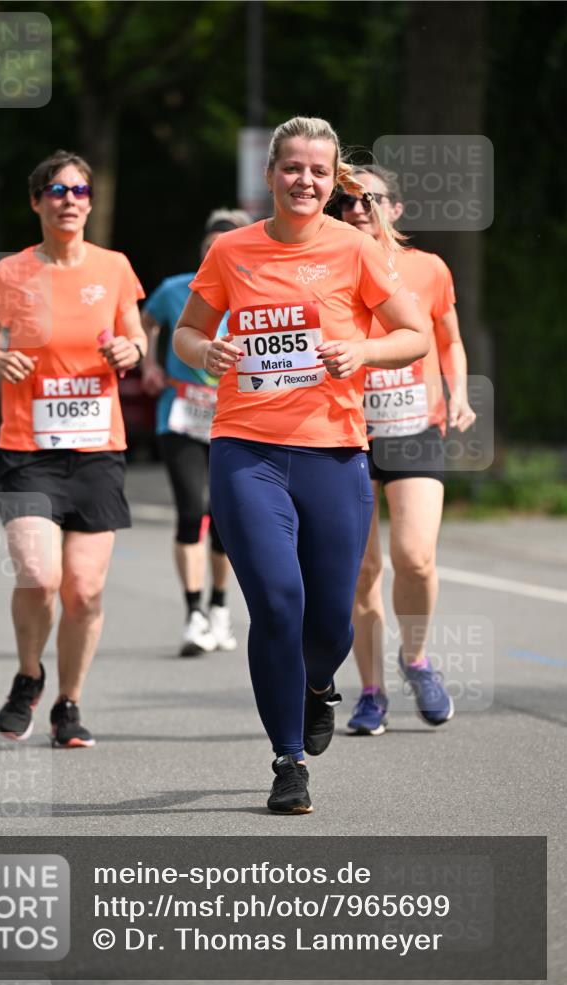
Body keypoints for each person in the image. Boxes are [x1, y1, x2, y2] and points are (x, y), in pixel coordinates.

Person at [174, 117, 428, 814]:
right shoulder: (232, 250)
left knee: (331, 627)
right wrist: (206, 352)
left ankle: (318, 684)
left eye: (318, 171)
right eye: (292, 167)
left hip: (333, 453)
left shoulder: (355, 248)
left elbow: (413, 334)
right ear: (270, 175)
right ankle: (288, 760)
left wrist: (363, 352)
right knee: (278, 602)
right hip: (246, 449)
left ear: (332, 179)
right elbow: (188, 331)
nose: (304, 181)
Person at [0, 149, 147, 748]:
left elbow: (136, 336)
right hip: (28, 450)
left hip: (98, 450)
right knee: (40, 576)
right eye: (57, 190)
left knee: (85, 590)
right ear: (37, 202)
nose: (70, 200)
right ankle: (28, 676)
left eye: (80, 190)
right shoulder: (11, 273)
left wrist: (130, 351)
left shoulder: (114, 266)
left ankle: (68, 704)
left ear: (90, 202)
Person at [333, 166, 476, 736]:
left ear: (396, 209)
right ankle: (371, 692)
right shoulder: (326, 267)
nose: (357, 209)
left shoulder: (429, 268)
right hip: (347, 429)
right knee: (361, 570)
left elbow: (450, 339)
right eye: (347, 202)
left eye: (369, 200)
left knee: (414, 556)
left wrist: (459, 393)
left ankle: (415, 659)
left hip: (416, 426)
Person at [141, 208, 252, 657]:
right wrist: (149, 364)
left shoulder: (256, 292)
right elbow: (147, 322)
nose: (216, 254)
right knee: (192, 511)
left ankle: (219, 606)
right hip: (182, 415)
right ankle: (194, 614)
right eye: (210, 248)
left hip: (236, 418)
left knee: (225, 518)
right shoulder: (177, 290)